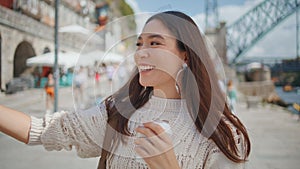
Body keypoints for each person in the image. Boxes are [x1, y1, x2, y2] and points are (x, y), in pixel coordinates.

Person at [0, 11, 250, 169]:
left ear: (185, 56)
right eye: (139, 43)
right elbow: (41, 130)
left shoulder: (221, 132)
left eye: (155, 43)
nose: (141, 52)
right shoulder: (118, 112)